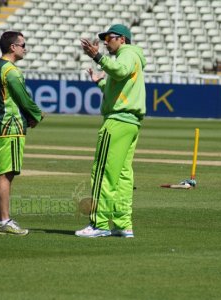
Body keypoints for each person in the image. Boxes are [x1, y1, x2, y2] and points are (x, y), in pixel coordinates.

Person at [75, 24, 146, 238]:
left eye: (110, 38)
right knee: (123, 176)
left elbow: (120, 70)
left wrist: (98, 57)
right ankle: (124, 224)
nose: (106, 42)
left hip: (116, 123)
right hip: (130, 123)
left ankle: (99, 224)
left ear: (122, 39)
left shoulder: (127, 54)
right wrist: (100, 83)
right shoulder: (132, 57)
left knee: (102, 173)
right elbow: (118, 87)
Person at [0, 31, 44, 235]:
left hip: (0, 126)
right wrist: (36, 115)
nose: (25, 48)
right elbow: (23, 98)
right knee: (7, 174)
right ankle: (4, 220)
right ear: (13, 47)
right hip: (10, 127)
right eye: (23, 44)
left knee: (1, 173)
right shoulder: (11, 70)